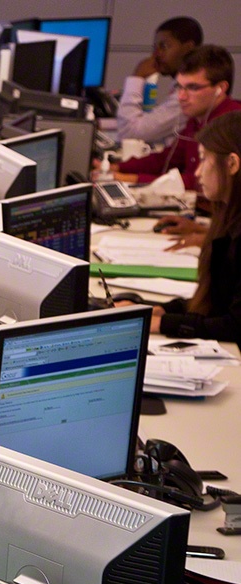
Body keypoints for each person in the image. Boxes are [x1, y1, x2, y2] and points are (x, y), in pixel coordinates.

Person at [154, 113, 241, 343]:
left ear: (232, 164)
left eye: (204, 159)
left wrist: (162, 323)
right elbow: (219, 302)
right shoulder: (228, 218)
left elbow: (234, 326)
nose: (198, 172)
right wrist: (162, 310)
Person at [112, 46, 241, 192]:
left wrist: (127, 178)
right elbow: (166, 160)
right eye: (180, 87)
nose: (181, 97)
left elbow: (201, 181)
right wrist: (115, 168)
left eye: (192, 87)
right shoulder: (197, 119)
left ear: (220, 88)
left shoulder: (231, 126)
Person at [115, 17, 204, 144]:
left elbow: (128, 133)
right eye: (155, 47)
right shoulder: (182, 87)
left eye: (164, 46)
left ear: (188, 48)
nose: (156, 54)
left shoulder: (188, 95)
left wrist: (137, 77)